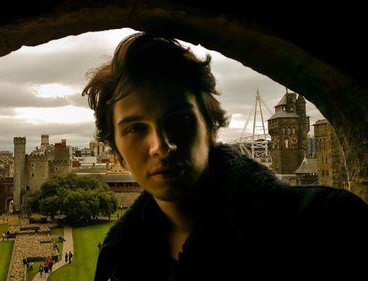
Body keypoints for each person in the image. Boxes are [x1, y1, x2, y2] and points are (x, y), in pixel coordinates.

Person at [83, 32, 368, 281]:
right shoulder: (120, 257)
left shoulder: (327, 225)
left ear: (210, 126)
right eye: (135, 128)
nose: (160, 145)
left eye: (179, 120)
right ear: (115, 149)